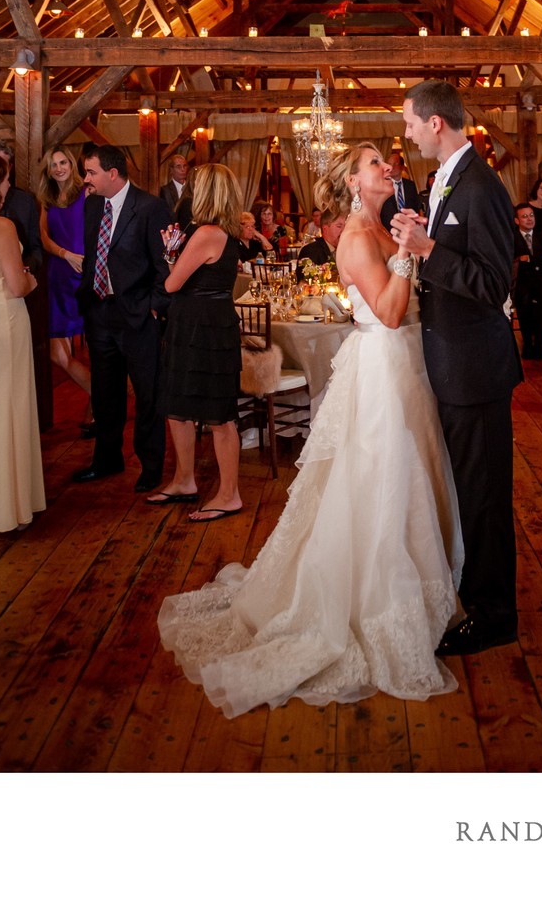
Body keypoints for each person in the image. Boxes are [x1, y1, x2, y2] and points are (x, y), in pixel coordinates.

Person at [158, 143, 462, 714]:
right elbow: (391, 312)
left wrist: (412, 246)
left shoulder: (385, 228)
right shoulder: (352, 239)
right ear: (353, 181)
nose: (388, 169)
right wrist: (405, 251)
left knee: (416, 476)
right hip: (380, 370)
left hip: (409, 367)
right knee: (381, 478)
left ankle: (428, 586)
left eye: (386, 163)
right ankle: (375, 599)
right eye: (375, 164)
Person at [394, 79, 521, 658]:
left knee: (487, 496)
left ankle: (496, 616)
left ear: (436, 123)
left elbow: (494, 282)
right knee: (470, 491)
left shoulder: (482, 186)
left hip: (476, 369)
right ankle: (475, 593)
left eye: (410, 123)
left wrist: (428, 253)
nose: (407, 133)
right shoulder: (445, 182)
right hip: (453, 365)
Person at [72, 145, 171, 493]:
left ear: (112, 174)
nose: (86, 180)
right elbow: (91, 256)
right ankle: (106, 459)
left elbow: (165, 264)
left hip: (137, 314)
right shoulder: (92, 204)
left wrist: (154, 306)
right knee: (105, 391)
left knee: (147, 393)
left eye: (91, 172)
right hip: (99, 311)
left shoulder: (150, 207)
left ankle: (151, 466)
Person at [148, 165, 244, 521]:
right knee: (179, 404)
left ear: (205, 192)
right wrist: (175, 256)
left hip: (203, 327)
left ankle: (229, 493)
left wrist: (169, 257)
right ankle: (184, 480)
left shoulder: (207, 232)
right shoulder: (226, 232)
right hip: (199, 323)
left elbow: (172, 284)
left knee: (219, 416)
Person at [0, 153, 45, 533]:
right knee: (6, 408)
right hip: (0, 322)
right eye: (5, 181)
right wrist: (31, 279)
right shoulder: (0, 226)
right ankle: (6, 506)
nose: (8, 187)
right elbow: (18, 285)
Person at [37, 145, 92, 430]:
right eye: (53, 164)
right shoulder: (46, 199)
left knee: (99, 349)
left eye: (63, 163)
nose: (58, 168)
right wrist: (64, 254)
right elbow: (44, 237)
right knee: (57, 354)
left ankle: (97, 407)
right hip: (58, 274)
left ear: (72, 165)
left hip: (86, 275)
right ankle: (99, 394)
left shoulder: (88, 193)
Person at [0, 139, 43, 272]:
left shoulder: (25, 201)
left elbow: (36, 249)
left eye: (3, 166)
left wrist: (25, 268)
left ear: (10, 168)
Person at [512, 201, 542, 361]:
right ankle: (528, 346)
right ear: (517, 221)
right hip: (522, 283)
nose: (529, 219)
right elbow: (514, 260)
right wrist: (536, 260)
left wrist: (530, 259)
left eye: (531, 215)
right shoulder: (512, 238)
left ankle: (539, 346)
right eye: (524, 217)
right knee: (524, 307)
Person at [296, 210, 346, 280]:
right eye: (339, 226)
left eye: (346, 226)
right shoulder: (311, 251)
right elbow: (305, 284)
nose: (344, 230)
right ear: (325, 229)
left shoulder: (347, 250)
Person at [380, 150, 420, 231]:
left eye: (396, 164)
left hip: (409, 228)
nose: (392, 167)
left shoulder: (410, 185)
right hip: (388, 229)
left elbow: (416, 206)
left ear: (402, 166)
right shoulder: (383, 185)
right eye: (390, 164)